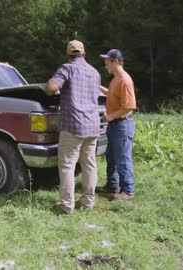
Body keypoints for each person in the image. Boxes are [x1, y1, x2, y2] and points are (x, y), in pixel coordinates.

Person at [45, 40, 101, 214]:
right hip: (92, 125)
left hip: (73, 125)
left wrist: (47, 87)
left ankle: (67, 206)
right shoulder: (95, 72)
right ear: (84, 53)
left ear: (68, 55)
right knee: (89, 165)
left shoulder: (67, 68)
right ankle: (87, 203)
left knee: (68, 166)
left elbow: (51, 88)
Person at [96, 49, 137, 201]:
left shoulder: (125, 80)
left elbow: (129, 107)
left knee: (122, 158)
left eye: (107, 61)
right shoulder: (115, 79)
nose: (105, 64)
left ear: (116, 61)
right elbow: (112, 94)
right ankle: (112, 185)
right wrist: (99, 87)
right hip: (114, 125)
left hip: (121, 125)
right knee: (111, 157)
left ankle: (128, 191)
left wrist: (109, 116)